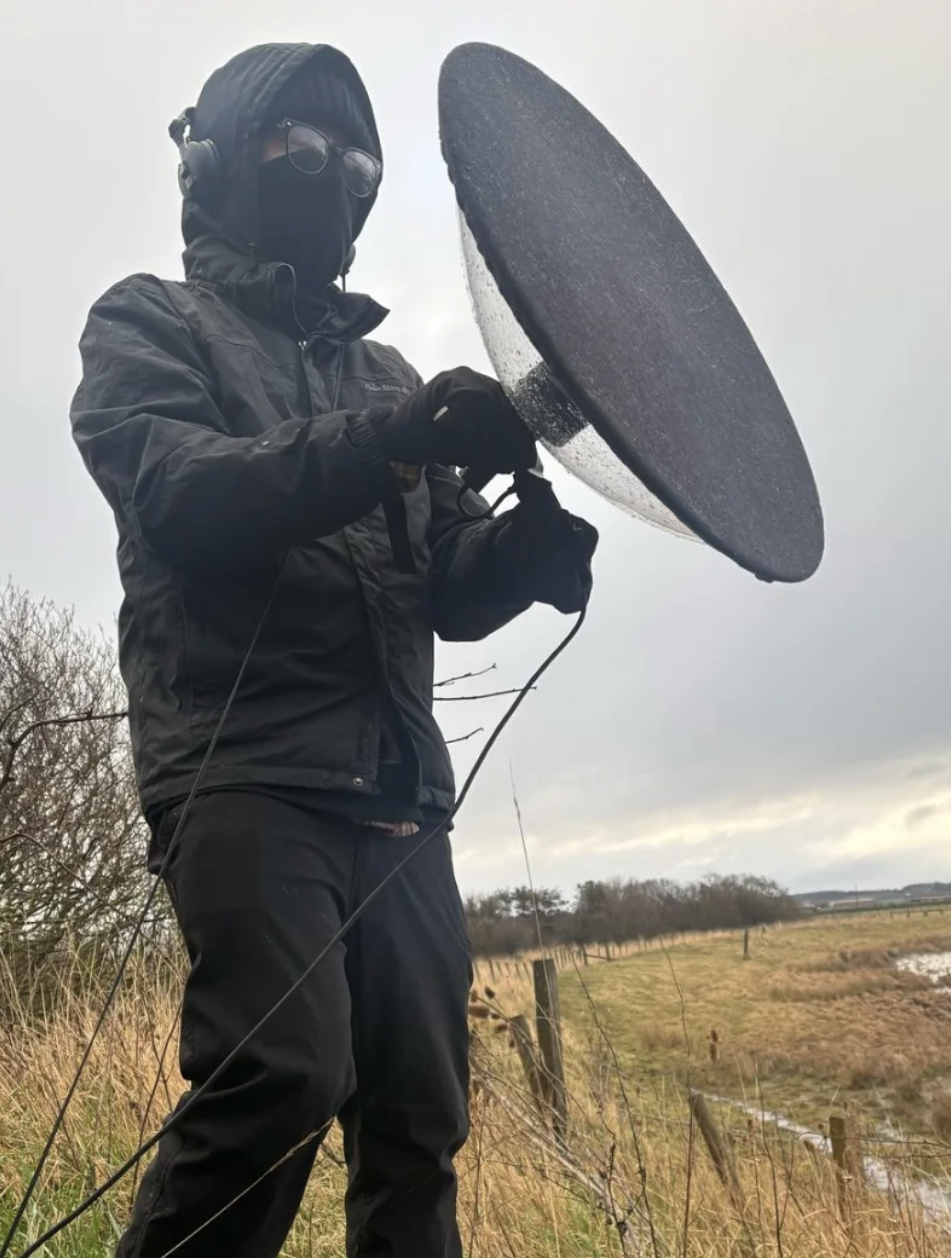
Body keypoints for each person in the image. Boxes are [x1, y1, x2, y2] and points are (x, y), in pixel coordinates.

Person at [69, 40, 597, 1258]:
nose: (332, 171)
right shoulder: (151, 322)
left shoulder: (384, 371)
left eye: (355, 156)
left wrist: (519, 560)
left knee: (419, 1115)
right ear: (213, 163)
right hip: (245, 772)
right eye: (296, 144)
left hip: (400, 796)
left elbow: (446, 586)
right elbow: (184, 497)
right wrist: (386, 439)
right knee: (283, 1077)